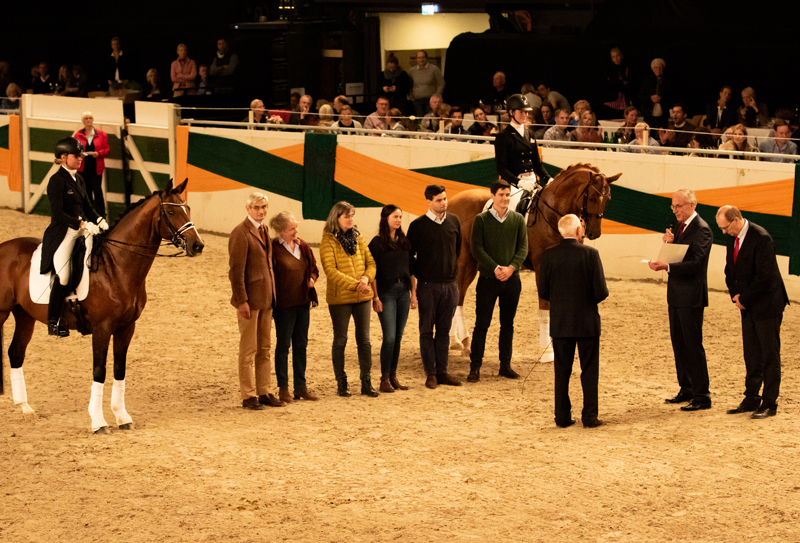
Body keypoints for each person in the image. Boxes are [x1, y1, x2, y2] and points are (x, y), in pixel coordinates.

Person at [715, 206, 789, 419]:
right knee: (751, 354)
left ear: (737, 219)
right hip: (747, 304)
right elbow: (731, 269)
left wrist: (744, 298)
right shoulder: (732, 236)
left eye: (726, 227)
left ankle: (769, 403)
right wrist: (735, 295)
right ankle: (751, 398)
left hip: (767, 305)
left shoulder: (761, 238)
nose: (724, 232)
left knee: (769, 354)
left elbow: (765, 277)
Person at [538, 214, 608, 428]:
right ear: (579, 231)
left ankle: (562, 417)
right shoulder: (591, 254)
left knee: (562, 371)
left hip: (561, 323)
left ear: (561, 232)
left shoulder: (548, 256)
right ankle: (590, 416)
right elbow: (601, 291)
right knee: (589, 370)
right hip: (587, 322)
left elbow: (544, 291)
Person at [648, 189, 713, 411]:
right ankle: (686, 388)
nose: (675, 210)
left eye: (679, 206)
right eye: (673, 206)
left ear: (692, 205)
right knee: (679, 344)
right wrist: (669, 244)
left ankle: (702, 396)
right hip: (676, 294)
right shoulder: (680, 227)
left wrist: (667, 266)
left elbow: (696, 264)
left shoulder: (702, 230)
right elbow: (680, 254)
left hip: (691, 296)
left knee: (693, 346)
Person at [40, 137, 108, 337]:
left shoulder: (79, 179)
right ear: (63, 158)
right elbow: (58, 214)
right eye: (76, 156)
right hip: (64, 233)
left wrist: (99, 220)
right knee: (64, 274)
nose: (80, 159)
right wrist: (80, 224)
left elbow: (88, 206)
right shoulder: (56, 181)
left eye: (81, 156)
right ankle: (53, 320)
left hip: (82, 230)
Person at [467, 181, 528, 382]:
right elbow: (477, 249)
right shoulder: (481, 220)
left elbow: (523, 248)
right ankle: (475, 367)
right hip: (487, 279)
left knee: (507, 325)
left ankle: (505, 366)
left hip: (512, 280)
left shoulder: (518, 220)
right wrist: (495, 268)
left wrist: (511, 268)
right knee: (481, 324)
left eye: (508, 195)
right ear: (492, 196)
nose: (505, 198)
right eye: (501, 194)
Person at [228, 192, 283, 410]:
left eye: (264, 207)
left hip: (266, 299)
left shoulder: (264, 230)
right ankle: (248, 394)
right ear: (248, 209)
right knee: (248, 349)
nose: (261, 211)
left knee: (265, 348)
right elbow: (236, 271)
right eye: (257, 207)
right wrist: (242, 300)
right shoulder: (240, 233)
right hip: (250, 301)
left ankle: (264, 390)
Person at [320, 202, 379, 398]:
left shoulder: (358, 236)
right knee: (340, 339)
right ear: (336, 218)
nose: (351, 219)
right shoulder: (328, 240)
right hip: (341, 299)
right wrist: (355, 285)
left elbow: (371, 262)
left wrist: (365, 279)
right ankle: (341, 382)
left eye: (352, 215)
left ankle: (366, 381)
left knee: (364, 340)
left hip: (362, 296)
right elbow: (330, 270)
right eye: (347, 216)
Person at [406, 185, 462, 389]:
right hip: (427, 286)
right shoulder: (417, 226)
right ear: (428, 201)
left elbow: (457, 249)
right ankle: (430, 372)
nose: (444, 203)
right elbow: (409, 256)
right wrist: (415, 285)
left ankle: (443, 372)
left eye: (445, 199)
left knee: (444, 331)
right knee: (426, 330)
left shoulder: (454, 221)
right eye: (439, 200)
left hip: (450, 285)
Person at [269, 211, 320, 403]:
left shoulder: (303, 246)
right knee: (283, 346)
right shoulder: (273, 248)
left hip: (303, 303)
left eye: (296, 228)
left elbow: (314, 268)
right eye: (292, 229)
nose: (296, 231)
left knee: (301, 345)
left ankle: (301, 387)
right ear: (281, 230)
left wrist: (312, 279)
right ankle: (283, 388)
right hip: (284, 306)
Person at [369, 205, 416, 393]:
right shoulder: (377, 242)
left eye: (400, 217)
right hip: (386, 293)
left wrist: (413, 293)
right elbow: (372, 272)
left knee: (398, 337)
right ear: (386, 218)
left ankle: (393, 375)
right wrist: (375, 297)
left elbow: (411, 269)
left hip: (403, 291)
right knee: (389, 337)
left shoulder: (404, 241)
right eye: (395, 216)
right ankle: (384, 377)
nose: (398, 220)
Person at [494, 94, 553, 199]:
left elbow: (537, 164)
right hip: (514, 184)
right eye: (521, 112)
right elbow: (501, 169)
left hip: (532, 182)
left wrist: (548, 179)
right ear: (511, 112)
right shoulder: (503, 137)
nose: (525, 115)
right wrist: (519, 182)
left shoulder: (530, 134)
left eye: (526, 112)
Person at [72, 111, 110, 217]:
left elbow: (107, 150)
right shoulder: (78, 135)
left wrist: (98, 153)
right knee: (86, 191)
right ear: (83, 121)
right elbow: (75, 150)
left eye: (90, 118)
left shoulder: (101, 134)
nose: (88, 120)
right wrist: (80, 154)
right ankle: (89, 214)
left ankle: (101, 214)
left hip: (96, 166)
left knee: (97, 190)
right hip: (83, 167)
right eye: (86, 118)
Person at [409, 50, 445, 118]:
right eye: (419, 57)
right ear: (416, 59)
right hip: (417, 101)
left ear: (426, 58)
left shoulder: (434, 69)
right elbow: (409, 85)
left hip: (430, 100)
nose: (421, 59)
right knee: (420, 120)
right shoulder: (412, 71)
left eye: (423, 57)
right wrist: (411, 96)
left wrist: (437, 96)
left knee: (431, 119)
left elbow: (441, 83)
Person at [638, 58, 668, 129]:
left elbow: (672, 96)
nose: (658, 70)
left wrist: (662, 99)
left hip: (663, 113)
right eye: (656, 68)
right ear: (653, 69)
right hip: (649, 113)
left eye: (660, 68)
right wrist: (650, 98)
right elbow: (640, 96)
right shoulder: (647, 80)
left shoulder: (667, 81)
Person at [603, 47, 631, 120]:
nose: (616, 59)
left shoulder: (626, 68)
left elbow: (629, 84)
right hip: (611, 101)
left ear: (621, 55)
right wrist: (621, 83)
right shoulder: (609, 70)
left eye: (617, 56)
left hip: (625, 100)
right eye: (613, 57)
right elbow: (611, 85)